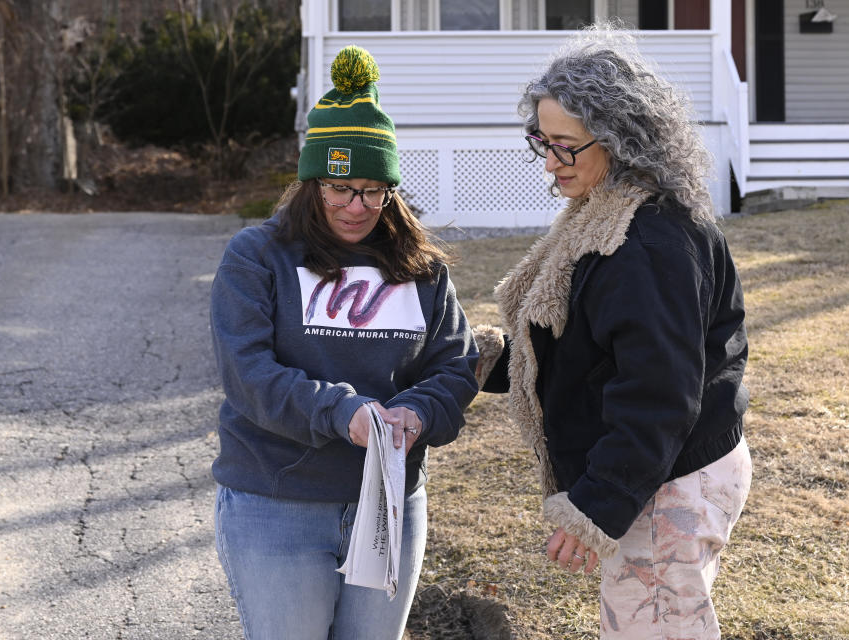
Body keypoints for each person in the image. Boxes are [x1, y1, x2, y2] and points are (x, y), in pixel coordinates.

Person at [473, 26, 752, 639]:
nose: (550, 162)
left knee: (655, 626)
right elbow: (585, 351)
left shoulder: (645, 242)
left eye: (565, 146)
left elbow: (658, 395)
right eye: (541, 142)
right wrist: (486, 361)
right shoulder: (603, 215)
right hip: (658, 466)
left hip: (671, 477)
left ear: (622, 140)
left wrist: (595, 505)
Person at [209, 45, 478, 640]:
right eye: (340, 188)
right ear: (311, 182)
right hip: (277, 504)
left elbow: (456, 364)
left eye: (374, 190)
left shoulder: (420, 268)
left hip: (388, 508)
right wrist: (342, 413)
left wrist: (419, 412)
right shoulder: (258, 257)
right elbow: (248, 373)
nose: (358, 207)